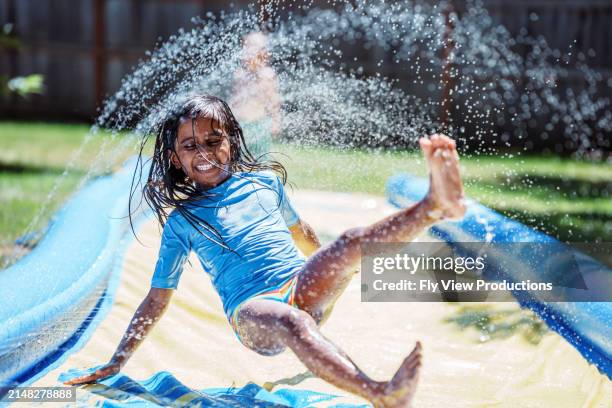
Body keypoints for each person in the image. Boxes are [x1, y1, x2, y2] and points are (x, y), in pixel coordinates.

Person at [64, 95, 466, 408]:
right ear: (175, 159)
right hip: (252, 311)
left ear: (232, 141)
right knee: (292, 322)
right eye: (190, 146)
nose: (203, 153)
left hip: (299, 283)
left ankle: (434, 207)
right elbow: (157, 297)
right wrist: (117, 360)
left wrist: (339, 265)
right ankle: (380, 393)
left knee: (350, 242)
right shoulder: (182, 220)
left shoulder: (264, 184)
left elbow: (302, 233)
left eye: (213, 140)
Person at [229, 31, 281, 159]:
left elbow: (273, 100)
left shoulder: (267, 75)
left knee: (260, 158)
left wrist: (275, 120)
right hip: (241, 124)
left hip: (259, 124)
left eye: (252, 47)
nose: (247, 51)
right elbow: (236, 98)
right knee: (239, 157)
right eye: (245, 47)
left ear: (263, 53)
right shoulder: (240, 74)